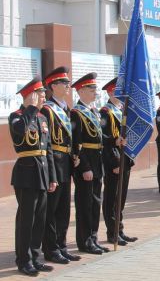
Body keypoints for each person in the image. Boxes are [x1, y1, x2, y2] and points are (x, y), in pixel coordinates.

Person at [9, 76, 57, 276]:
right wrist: (31, 108)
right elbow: (20, 132)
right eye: (40, 93)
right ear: (30, 95)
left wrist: (52, 176)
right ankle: (24, 260)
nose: (44, 96)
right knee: (26, 219)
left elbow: (48, 150)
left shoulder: (42, 118)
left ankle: (35, 257)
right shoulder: (17, 116)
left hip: (43, 172)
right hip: (26, 173)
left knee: (40, 219)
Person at [41, 66, 81, 264]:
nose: (68, 86)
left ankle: (62, 246)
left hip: (66, 162)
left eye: (67, 83)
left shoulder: (65, 108)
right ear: (53, 86)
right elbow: (47, 142)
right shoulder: (47, 109)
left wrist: (74, 155)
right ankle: (51, 249)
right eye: (64, 83)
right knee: (52, 209)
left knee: (64, 209)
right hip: (54, 163)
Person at [70, 73, 107, 254]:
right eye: (92, 89)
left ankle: (93, 237)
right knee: (85, 204)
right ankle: (84, 242)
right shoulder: (76, 113)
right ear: (81, 90)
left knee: (95, 203)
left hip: (97, 161)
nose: (95, 92)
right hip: (87, 164)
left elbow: (100, 136)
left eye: (95, 89)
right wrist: (84, 167)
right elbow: (77, 142)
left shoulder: (93, 111)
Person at [100, 78, 138, 247]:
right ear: (110, 93)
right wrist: (114, 162)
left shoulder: (121, 110)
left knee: (121, 198)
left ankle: (119, 230)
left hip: (125, 160)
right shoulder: (106, 112)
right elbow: (104, 139)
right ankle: (112, 232)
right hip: (114, 162)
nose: (122, 96)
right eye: (118, 92)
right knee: (112, 198)